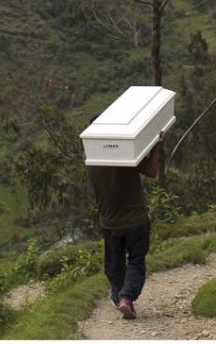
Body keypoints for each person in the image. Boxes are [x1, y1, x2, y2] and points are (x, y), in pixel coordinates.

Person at [85, 131, 164, 320]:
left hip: (109, 222)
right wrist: (156, 144)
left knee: (114, 261)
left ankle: (118, 296)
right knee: (136, 259)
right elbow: (152, 171)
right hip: (136, 220)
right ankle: (126, 298)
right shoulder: (126, 156)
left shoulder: (90, 160)